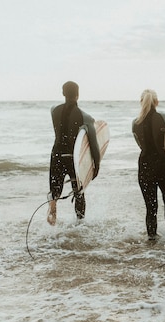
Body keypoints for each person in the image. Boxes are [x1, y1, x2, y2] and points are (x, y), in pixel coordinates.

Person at [47, 81, 100, 225]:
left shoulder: (54, 111)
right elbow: (94, 145)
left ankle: (52, 207)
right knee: (79, 193)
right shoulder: (85, 117)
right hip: (73, 158)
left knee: (55, 189)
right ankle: (80, 223)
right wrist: (96, 165)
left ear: (63, 93)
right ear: (78, 95)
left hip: (56, 155)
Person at [132, 89, 165, 241]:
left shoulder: (135, 122)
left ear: (141, 102)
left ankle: (152, 239)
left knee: (151, 207)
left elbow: (140, 144)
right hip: (164, 164)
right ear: (156, 102)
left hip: (145, 166)